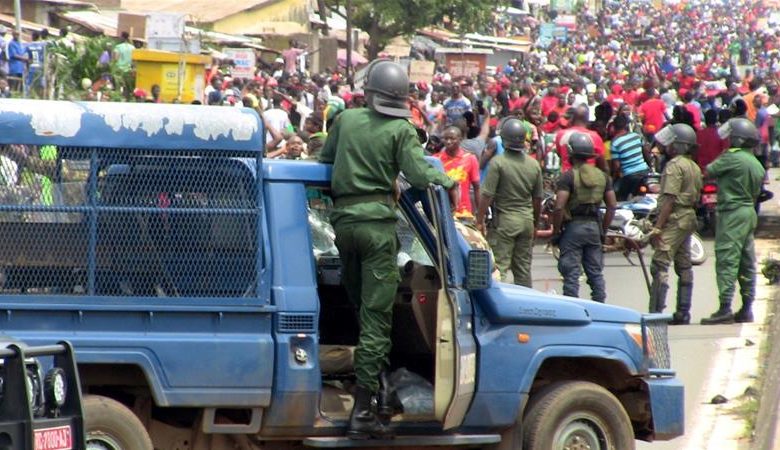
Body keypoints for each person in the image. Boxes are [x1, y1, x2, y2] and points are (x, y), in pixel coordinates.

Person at [319, 60, 455, 438]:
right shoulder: (400, 129)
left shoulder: (344, 120)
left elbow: (325, 163)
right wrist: (446, 180)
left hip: (342, 227)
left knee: (362, 309)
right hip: (378, 230)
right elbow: (420, 175)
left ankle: (379, 390)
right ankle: (362, 415)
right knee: (377, 320)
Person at [701, 118, 766, 324]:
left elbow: (709, 170)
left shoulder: (732, 157)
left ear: (737, 139)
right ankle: (747, 307)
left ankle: (725, 307)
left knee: (727, 258)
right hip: (748, 212)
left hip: (732, 212)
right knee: (747, 261)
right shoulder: (755, 163)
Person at [476, 118, 543, 287]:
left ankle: (501, 309)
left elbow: (487, 195)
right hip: (526, 221)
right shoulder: (534, 165)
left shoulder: (498, 162)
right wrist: (535, 223)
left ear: (503, 139)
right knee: (523, 270)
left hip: (505, 222)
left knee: (500, 268)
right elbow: (537, 198)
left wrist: (479, 220)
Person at [647, 124, 703, 324]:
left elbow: (669, 199)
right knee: (684, 265)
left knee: (660, 264)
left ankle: (656, 313)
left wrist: (658, 227)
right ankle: (683, 312)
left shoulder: (674, 166)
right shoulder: (694, 166)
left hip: (675, 219)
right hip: (688, 218)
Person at [552, 132, 616, 302]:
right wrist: (603, 230)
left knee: (571, 274)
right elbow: (612, 205)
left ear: (571, 153)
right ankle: (600, 309)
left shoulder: (568, 176)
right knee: (595, 273)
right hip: (594, 227)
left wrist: (556, 232)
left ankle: (572, 311)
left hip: (573, 228)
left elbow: (559, 207)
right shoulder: (603, 177)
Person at [433, 126, 480, 219]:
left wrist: (479, 213)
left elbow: (477, 188)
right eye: (446, 138)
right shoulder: (436, 160)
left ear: (460, 139)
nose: (448, 141)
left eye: (452, 138)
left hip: (464, 214)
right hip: (442, 213)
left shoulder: (470, 158)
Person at [610, 113, 650, 200]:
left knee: (620, 198)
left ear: (614, 127)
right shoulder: (636, 136)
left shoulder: (615, 142)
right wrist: (649, 166)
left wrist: (614, 177)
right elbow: (646, 152)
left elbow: (616, 166)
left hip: (629, 175)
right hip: (644, 171)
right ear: (626, 125)